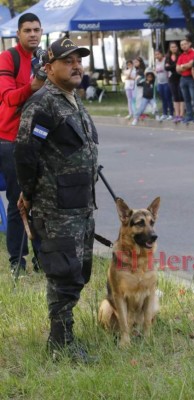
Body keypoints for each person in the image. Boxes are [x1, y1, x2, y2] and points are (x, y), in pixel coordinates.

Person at [14, 37, 99, 363]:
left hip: (80, 205)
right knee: (63, 275)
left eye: (79, 60)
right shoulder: (43, 105)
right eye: (68, 61)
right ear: (48, 68)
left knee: (78, 272)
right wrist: (31, 195)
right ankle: (60, 345)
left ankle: (63, 336)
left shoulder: (72, 100)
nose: (76, 65)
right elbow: (25, 155)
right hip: (56, 208)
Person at [0, 13, 44, 274]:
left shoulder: (44, 59)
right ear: (18, 33)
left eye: (36, 29)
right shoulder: (9, 58)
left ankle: (42, 258)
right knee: (19, 202)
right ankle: (17, 261)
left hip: (39, 140)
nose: (32, 34)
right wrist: (34, 85)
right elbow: (8, 98)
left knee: (41, 201)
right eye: (27, 30)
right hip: (10, 140)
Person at [176, 38, 194, 123]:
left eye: (185, 44)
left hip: (192, 78)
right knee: (186, 99)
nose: (183, 46)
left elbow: (191, 64)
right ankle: (189, 116)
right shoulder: (181, 56)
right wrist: (184, 66)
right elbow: (177, 69)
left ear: (189, 44)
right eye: (181, 45)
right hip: (183, 79)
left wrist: (182, 66)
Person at [164, 41, 184, 122]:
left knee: (181, 96)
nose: (174, 48)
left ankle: (181, 115)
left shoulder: (181, 55)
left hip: (180, 77)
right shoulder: (168, 57)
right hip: (172, 79)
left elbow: (179, 66)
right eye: (172, 47)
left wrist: (172, 66)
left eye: (175, 47)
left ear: (177, 47)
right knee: (175, 97)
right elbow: (166, 68)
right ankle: (177, 114)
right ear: (170, 48)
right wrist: (175, 66)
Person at [154, 48, 174, 121]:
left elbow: (167, 69)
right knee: (163, 99)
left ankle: (171, 114)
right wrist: (155, 72)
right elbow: (155, 70)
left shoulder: (166, 60)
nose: (157, 56)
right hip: (160, 82)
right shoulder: (156, 61)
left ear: (162, 54)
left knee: (168, 98)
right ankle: (164, 113)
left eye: (158, 54)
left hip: (167, 82)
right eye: (155, 55)